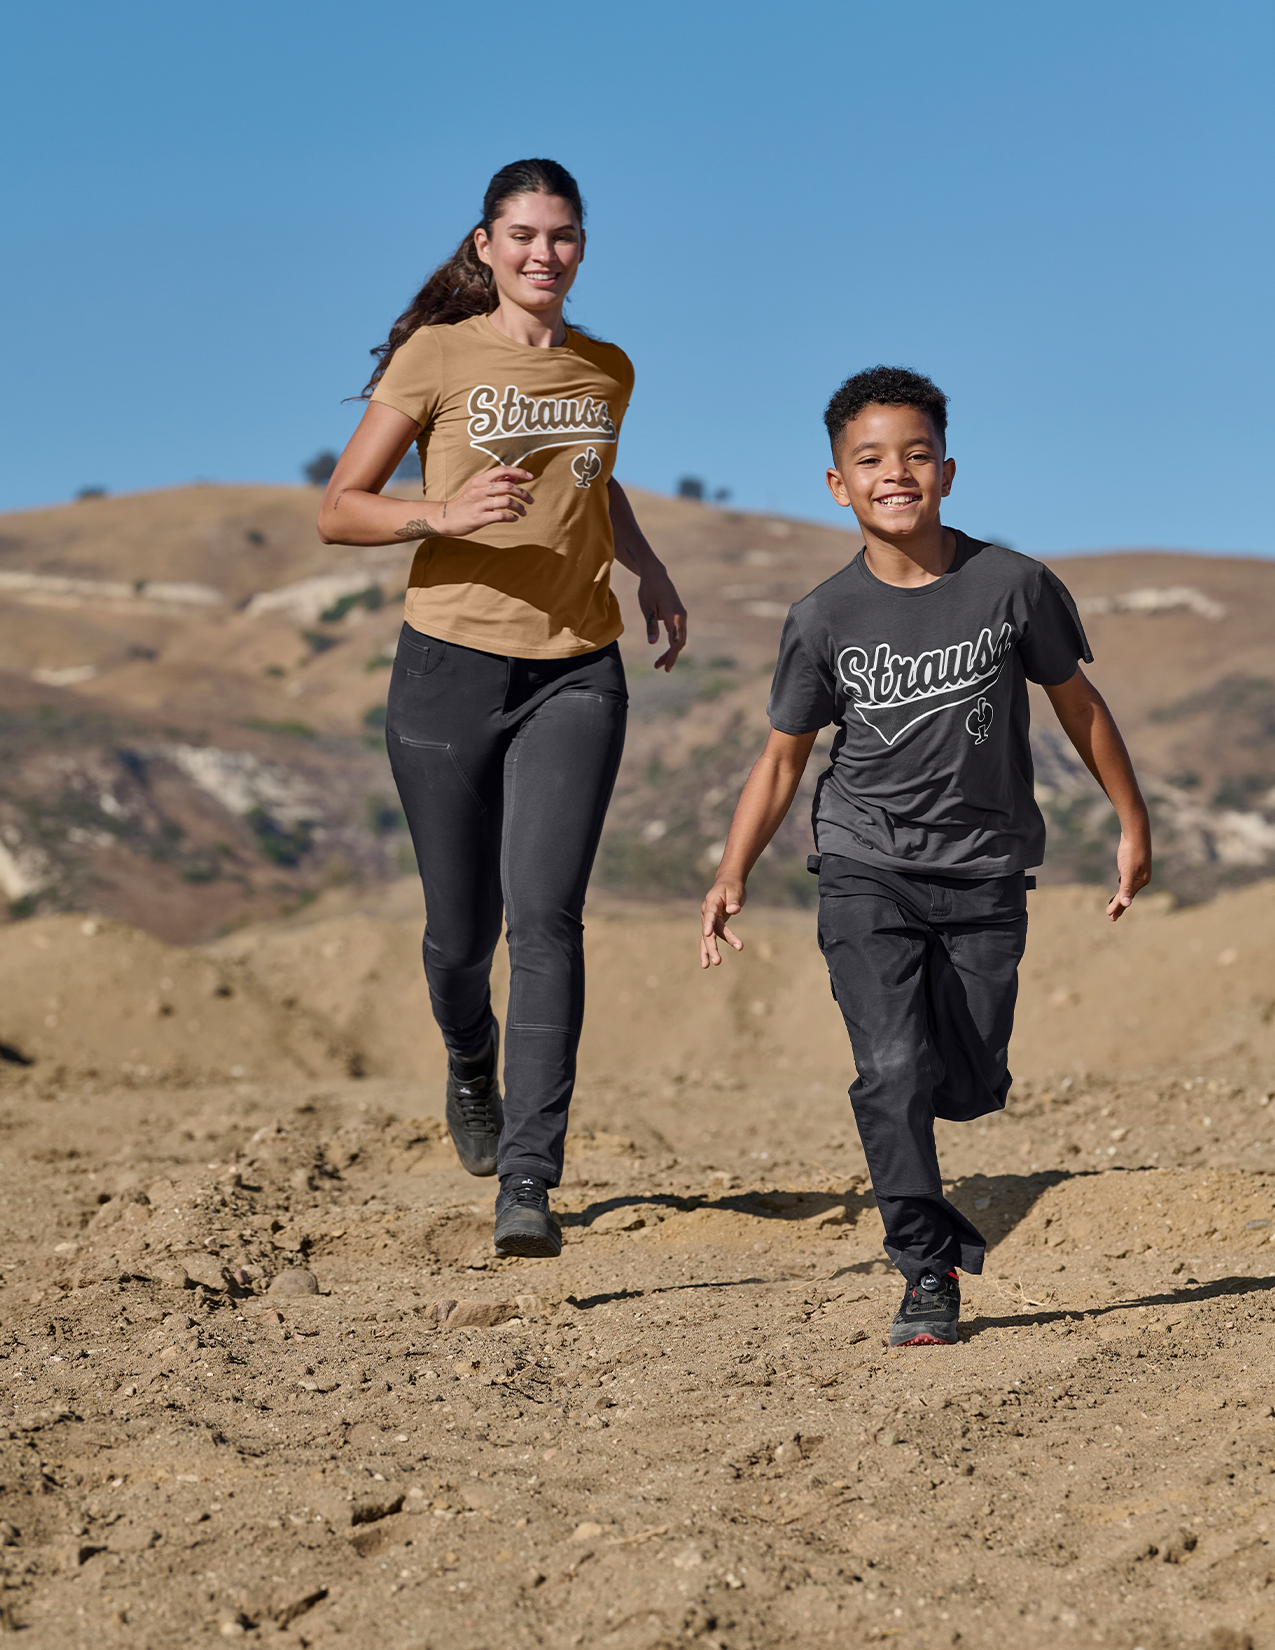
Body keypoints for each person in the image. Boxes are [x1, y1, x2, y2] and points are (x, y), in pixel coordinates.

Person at [699, 365, 1151, 1348]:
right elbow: (781, 763)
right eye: (868, 459)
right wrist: (733, 870)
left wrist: (1132, 824)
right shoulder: (822, 619)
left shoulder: (1014, 586)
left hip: (987, 874)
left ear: (946, 469)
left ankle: (952, 1100)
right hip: (865, 867)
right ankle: (926, 1272)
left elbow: (1079, 706)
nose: (893, 473)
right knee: (892, 1069)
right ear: (837, 485)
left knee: (970, 1079)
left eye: (913, 455)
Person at [317, 158, 686, 1259]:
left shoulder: (607, 367)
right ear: (485, 244)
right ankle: (467, 1054)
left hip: (577, 667)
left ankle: (528, 1175)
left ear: (583, 245)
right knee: (459, 936)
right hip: (448, 671)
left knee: (548, 920)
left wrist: (648, 567)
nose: (544, 254)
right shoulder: (435, 355)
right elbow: (340, 511)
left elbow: (594, 476)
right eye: (522, 235)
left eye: (563, 236)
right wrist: (445, 511)